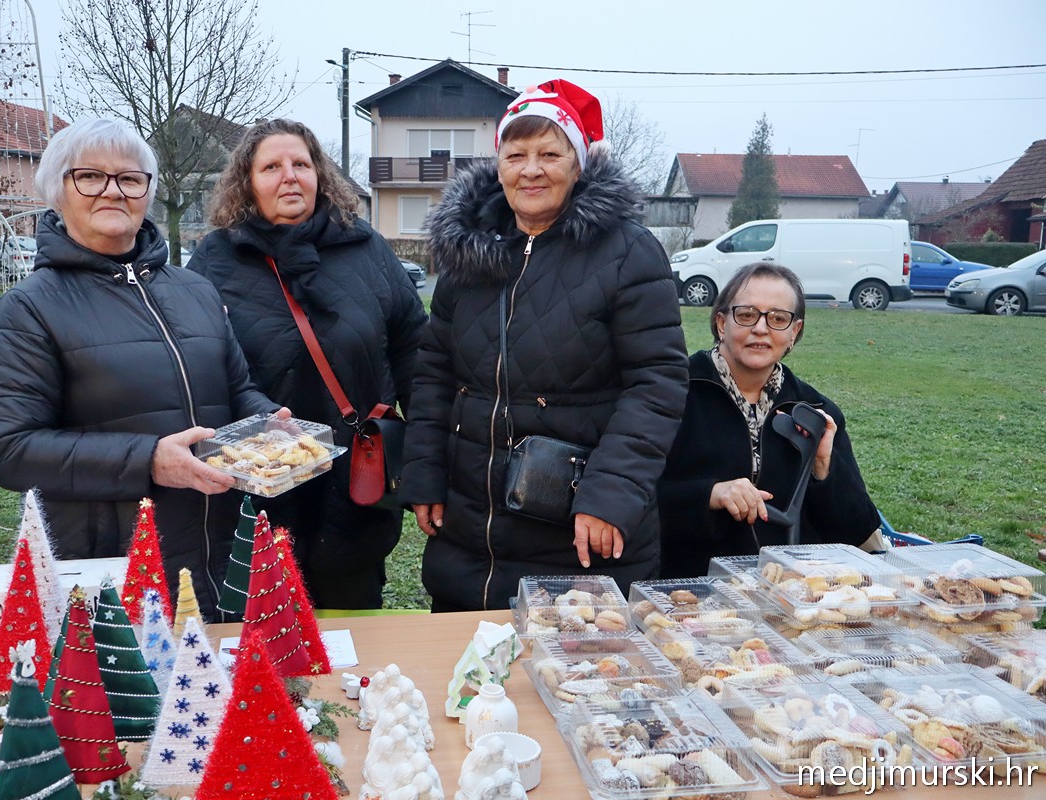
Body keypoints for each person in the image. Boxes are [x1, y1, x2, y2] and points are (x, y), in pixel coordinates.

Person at [399, 79, 689, 612]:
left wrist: (610, 494)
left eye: (550, 154)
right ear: (499, 166)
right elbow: (433, 371)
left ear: (577, 166)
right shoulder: (469, 252)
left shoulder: (627, 252)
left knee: (573, 679)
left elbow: (657, 384)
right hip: (470, 533)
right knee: (470, 684)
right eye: (517, 154)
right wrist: (424, 473)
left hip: (575, 531)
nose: (531, 169)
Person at [0, 118, 283, 617]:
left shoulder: (195, 290)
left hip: (220, 550)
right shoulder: (29, 308)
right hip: (115, 560)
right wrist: (148, 460)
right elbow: (9, 450)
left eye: (130, 178)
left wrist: (269, 423)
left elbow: (237, 388)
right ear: (59, 189)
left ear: (148, 191)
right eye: (91, 177)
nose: (112, 191)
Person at [188, 118, 427, 610]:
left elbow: (413, 350)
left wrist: (424, 445)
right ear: (248, 183)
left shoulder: (365, 247)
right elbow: (197, 364)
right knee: (262, 636)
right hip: (259, 482)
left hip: (356, 474)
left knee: (352, 624)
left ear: (320, 173)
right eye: (271, 166)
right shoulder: (217, 259)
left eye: (301, 163)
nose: (289, 176)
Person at [658, 262, 880, 577]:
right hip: (691, 593)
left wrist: (824, 469)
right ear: (722, 323)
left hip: (788, 594)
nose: (761, 329)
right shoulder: (672, 395)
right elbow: (633, 501)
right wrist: (711, 495)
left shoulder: (816, 412)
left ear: (794, 332)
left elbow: (854, 531)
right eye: (746, 315)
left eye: (778, 319)